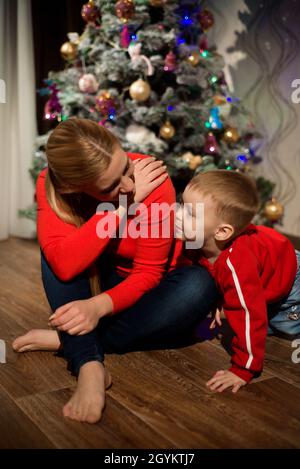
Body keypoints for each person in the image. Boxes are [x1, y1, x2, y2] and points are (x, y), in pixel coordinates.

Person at [13, 118, 218, 424]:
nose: (130, 184)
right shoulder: (52, 186)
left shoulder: (153, 179)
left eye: (125, 167)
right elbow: (66, 266)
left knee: (199, 286)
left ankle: (70, 342)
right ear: (74, 188)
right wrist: (123, 206)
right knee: (57, 256)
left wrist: (97, 307)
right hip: (103, 277)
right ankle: (89, 365)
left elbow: (148, 274)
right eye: (111, 186)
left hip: (154, 288)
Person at [176, 169, 300, 393]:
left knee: (281, 325)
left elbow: (249, 314)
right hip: (266, 264)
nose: (177, 214)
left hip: (292, 284)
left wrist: (243, 368)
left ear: (222, 232)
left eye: (190, 213)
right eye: (181, 205)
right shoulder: (195, 241)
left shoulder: (236, 263)